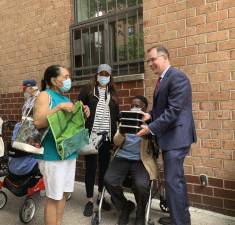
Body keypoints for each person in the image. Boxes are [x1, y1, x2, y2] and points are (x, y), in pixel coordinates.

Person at [137, 46, 197, 225]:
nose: (150, 64)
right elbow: (163, 109)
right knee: (175, 181)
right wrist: (150, 116)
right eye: (148, 61)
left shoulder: (177, 77)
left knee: (173, 182)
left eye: (152, 59)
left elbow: (174, 111)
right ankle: (180, 218)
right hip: (171, 138)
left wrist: (150, 128)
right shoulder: (163, 79)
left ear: (164, 58)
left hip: (177, 138)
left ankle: (180, 222)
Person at [33, 65, 90, 225]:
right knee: (53, 197)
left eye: (69, 76)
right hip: (52, 155)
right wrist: (58, 108)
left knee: (63, 193)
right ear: (53, 80)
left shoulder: (66, 98)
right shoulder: (45, 95)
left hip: (68, 152)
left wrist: (82, 113)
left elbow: (68, 126)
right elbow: (38, 122)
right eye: (65, 77)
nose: (68, 80)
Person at [104, 96, 158, 225]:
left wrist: (148, 132)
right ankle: (125, 207)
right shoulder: (125, 120)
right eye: (133, 105)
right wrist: (122, 132)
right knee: (109, 180)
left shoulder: (151, 124)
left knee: (141, 185)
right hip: (122, 156)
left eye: (138, 106)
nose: (135, 108)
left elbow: (156, 146)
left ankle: (140, 213)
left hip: (141, 160)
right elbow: (116, 142)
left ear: (145, 108)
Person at [78, 64, 119, 217]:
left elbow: (116, 115)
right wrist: (83, 111)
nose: (104, 76)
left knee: (104, 168)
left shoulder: (112, 93)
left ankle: (101, 197)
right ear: (96, 75)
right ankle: (89, 200)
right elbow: (78, 108)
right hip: (92, 136)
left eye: (106, 74)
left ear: (110, 76)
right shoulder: (87, 91)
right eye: (101, 74)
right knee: (90, 168)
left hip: (107, 137)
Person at [8, 80, 40, 177]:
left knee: (30, 154)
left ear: (31, 88)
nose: (23, 91)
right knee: (22, 153)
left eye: (24, 89)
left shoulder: (39, 99)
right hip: (25, 131)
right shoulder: (28, 99)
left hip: (33, 132)